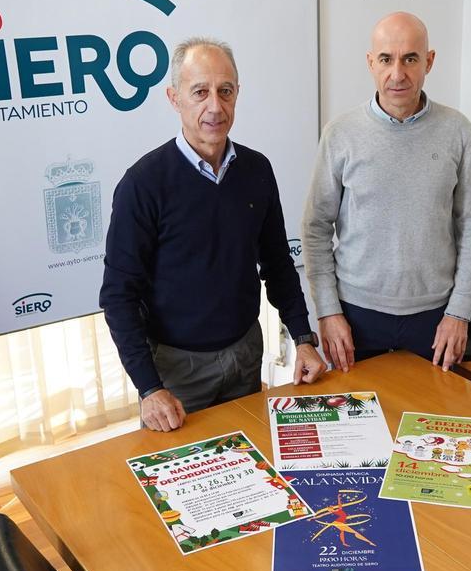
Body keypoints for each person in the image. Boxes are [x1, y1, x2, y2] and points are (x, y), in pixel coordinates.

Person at [100, 37, 326, 432]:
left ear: (238, 94)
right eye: (200, 92)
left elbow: (276, 262)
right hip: (175, 371)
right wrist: (149, 388)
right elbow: (119, 296)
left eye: (225, 91)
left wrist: (303, 338)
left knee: (255, 464)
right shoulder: (143, 184)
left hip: (245, 354)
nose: (214, 107)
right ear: (174, 98)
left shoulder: (257, 170)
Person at [301, 12, 471, 374]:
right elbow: (315, 228)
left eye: (410, 59)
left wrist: (460, 312)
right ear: (371, 63)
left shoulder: (457, 131)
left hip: (435, 319)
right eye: (386, 59)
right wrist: (327, 311)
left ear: (429, 62)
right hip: (355, 318)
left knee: (427, 420)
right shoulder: (340, 134)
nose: (397, 73)